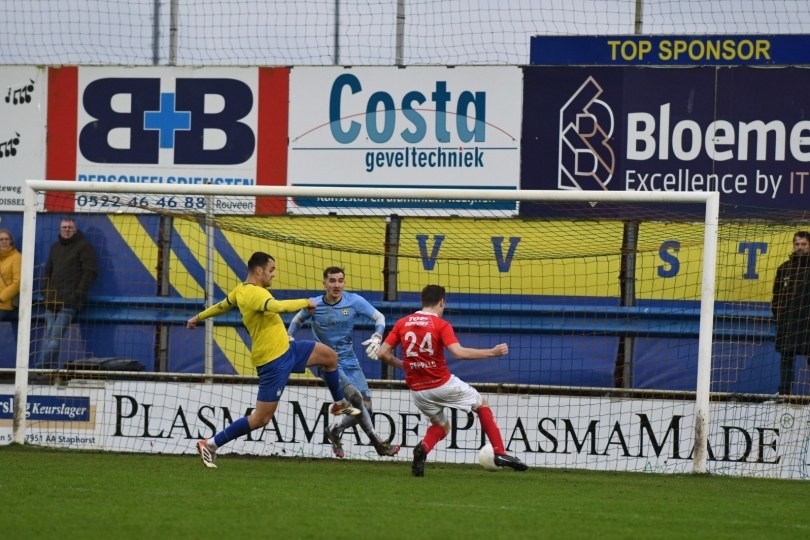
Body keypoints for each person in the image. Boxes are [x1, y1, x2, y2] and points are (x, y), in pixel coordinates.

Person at [188, 252, 361, 468]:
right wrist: (305, 302)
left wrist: (198, 317)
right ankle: (210, 444)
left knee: (330, 357)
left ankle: (339, 404)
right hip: (273, 361)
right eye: (271, 270)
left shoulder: (240, 290)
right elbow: (277, 307)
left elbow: (223, 305)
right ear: (259, 271)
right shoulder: (255, 294)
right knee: (261, 419)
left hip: (288, 349)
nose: (274, 275)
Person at [378, 284, 528, 476]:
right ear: (442, 301)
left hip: (417, 390)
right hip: (442, 384)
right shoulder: (440, 325)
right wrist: (492, 352)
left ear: (422, 301)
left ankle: (423, 448)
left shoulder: (402, 323)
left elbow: (383, 352)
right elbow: (459, 353)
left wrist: (405, 365)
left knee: (441, 426)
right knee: (481, 404)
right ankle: (499, 452)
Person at [287, 266, 400, 458]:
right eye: (332, 281)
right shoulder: (314, 304)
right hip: (327, 362)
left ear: (344, 283)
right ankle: (378, 444)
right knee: (355, 398)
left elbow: (379, 317)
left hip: (350, 360)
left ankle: (334, 429)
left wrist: (377, 336)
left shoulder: (353, 301)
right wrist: (289, 338)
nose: (336, 285)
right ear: (324, 284)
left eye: (340, 280)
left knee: (366, 408)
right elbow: (297, 321)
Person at [39, 217, 98, 369]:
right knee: (48, 337)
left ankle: (39, 369)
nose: (67, 230)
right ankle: (48, 372)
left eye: (70, 228)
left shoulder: (84, 247)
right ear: (60, 229)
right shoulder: (55, 247)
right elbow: (48, 272)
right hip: (52, 301)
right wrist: (45, 292)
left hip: (69, 303)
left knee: (54, 339)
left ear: (75, 229)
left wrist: (77, 295)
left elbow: (90, 272)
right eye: (64, 227)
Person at [771, 231, 810, 398]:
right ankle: (784, 394)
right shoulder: (784, 268)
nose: (800, 248)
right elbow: (776, 297)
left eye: (803, 244)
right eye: (797, 244)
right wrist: (779, 317)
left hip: (808, 324)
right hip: (788, 324)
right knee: (786, 359)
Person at [0, 229, 21, 350]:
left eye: (6, 239)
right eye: (1, 239)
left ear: (11, 242)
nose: (3, 242)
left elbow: (17, 282)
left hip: (4, 303)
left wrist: (2, 297)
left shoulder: (16, 257)